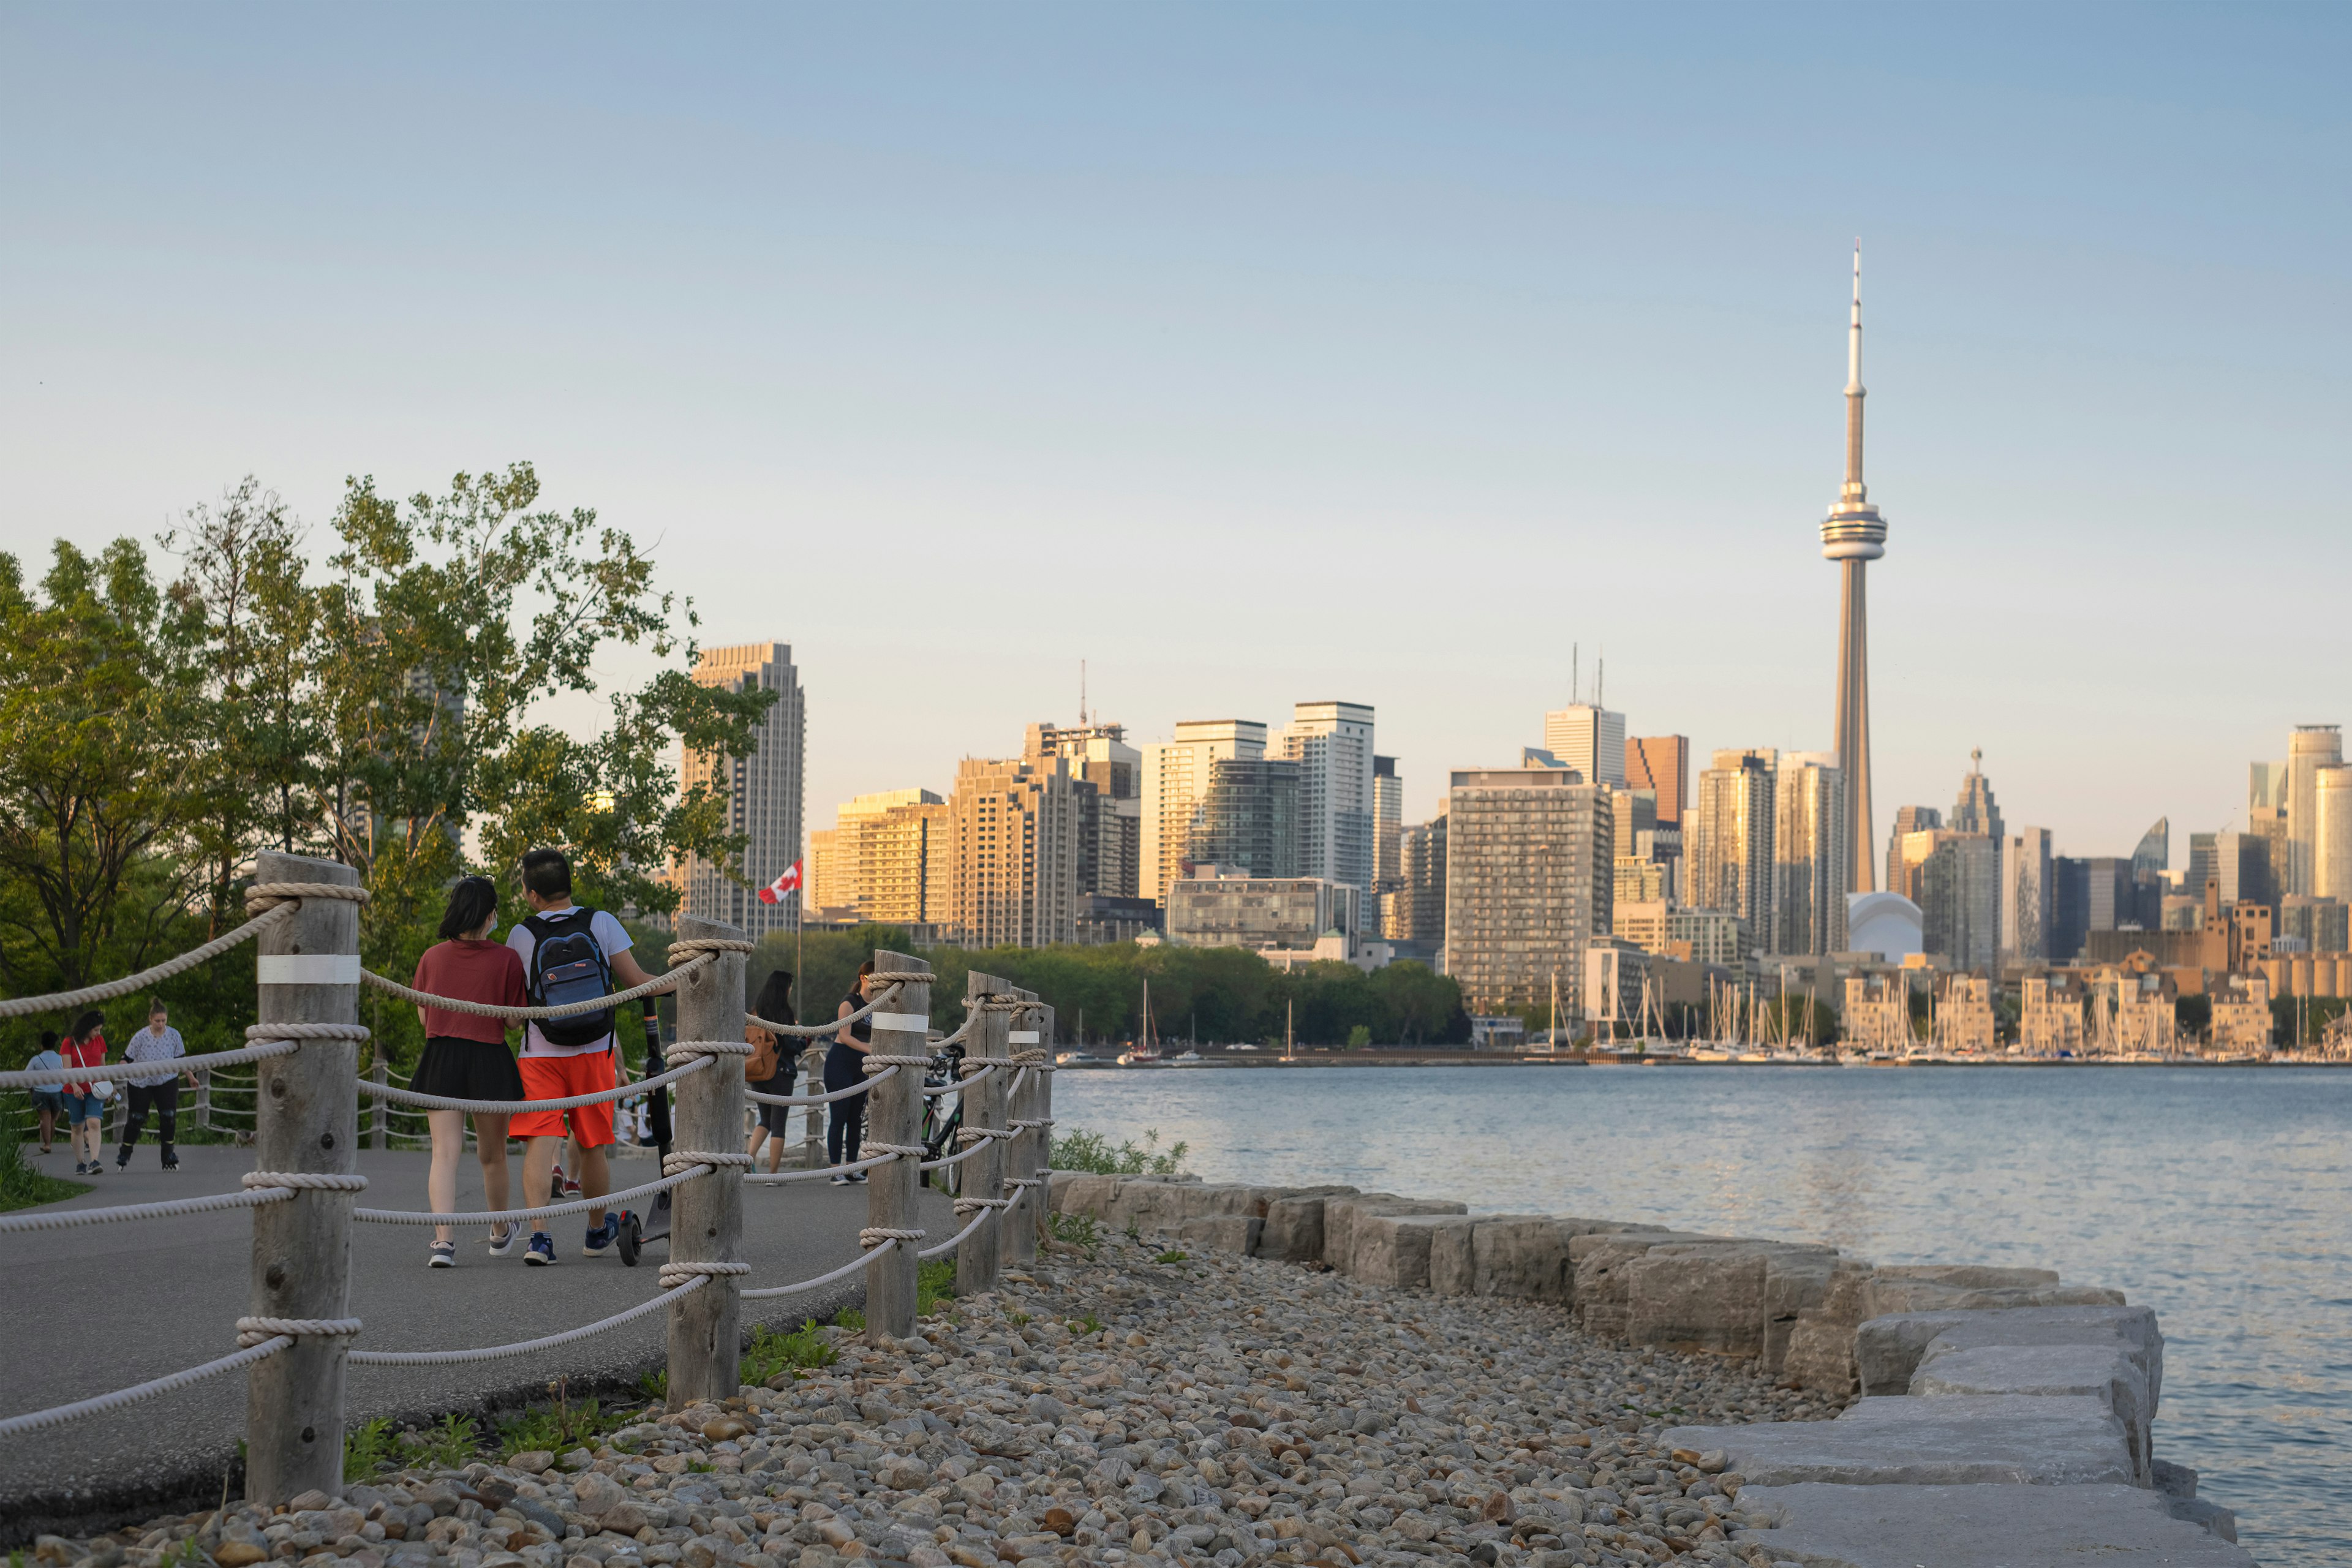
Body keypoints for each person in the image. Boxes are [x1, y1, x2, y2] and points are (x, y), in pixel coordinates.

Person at [506, 846, 658, 1265]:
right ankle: (595, 1232)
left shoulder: (521, 934)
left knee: (541, 1141)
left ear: (532, 894)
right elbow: (638, 982)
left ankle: (540, 1241)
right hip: (595, 1051)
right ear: (569, 884)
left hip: (540, 1054)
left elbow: (516, 1015)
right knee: (593, 1144)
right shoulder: (601, 922)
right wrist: (691, 978)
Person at [410, 876, 529, 1268]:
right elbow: (514, 1022)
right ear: (491, 914)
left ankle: (443, 1243)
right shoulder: (507, 960)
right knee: (492, 1155)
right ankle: (499, 1232)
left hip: (442, 1054)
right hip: (488, 1058)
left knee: (444, 1153)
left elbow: (425, 1015)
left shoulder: (431, 957)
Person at [116, 1001, 195, 1172]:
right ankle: (125, 1152)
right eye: (157, 1021)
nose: (160, 1025)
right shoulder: (140, 1036)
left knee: (168, 1115)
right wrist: (122, 1068)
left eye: (163, 1021)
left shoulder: (174, 1035)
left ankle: (168, 1154)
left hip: (166, 1080)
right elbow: (126, 1058)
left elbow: (181, 1059)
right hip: (141, 1082)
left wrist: (190, 1077)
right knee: (137, 1117)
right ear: (150, 1019)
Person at [826, 960, 878, 1184]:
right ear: (863, 978)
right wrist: (872, 1049)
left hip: (862, 1065)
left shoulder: (879, 1004)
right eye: (874, 978)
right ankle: (834, 1170)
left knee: (856, 1118)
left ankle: (851, 1167)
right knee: (839, 1117)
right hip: (840, 1062)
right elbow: (845, 1036)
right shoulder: (850, 1003)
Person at [743, 970, 799, 1174]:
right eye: (790, 986)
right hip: (780, 1072)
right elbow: (792, 1046)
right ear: (784, 988)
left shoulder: (756, 1012)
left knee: (764, 1119)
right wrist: (804, 1040)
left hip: (757, 1071)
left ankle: (749, 1160)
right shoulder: (785, 1013)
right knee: (779, 1124)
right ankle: (773, 1174)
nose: (791, 990)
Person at [59, 1011, 108, 1175]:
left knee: (94, 1122)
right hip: (74, 1090)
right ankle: (80, 1162)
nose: (98, 1033)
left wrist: (107, 1086)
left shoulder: (100, 1041)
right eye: (96, 1030)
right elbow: (67, 1069)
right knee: (77, 1127)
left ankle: (95, 1161)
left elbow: (103, 1066)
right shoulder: (69, 1042)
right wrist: (74, 1086)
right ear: (87, 1028)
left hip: (95, 1089)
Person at [25, 1031, 64, 1156]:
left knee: (44, 1119)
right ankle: (49, 1143)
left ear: (42, 1045)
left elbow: (26, 1076)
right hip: (57, 1092)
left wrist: (29, 1089)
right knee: (52, 1120)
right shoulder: (60, 1059)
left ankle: (47, 1144)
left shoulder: (36, 1060)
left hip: (41, 1093)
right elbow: (66, 1075)